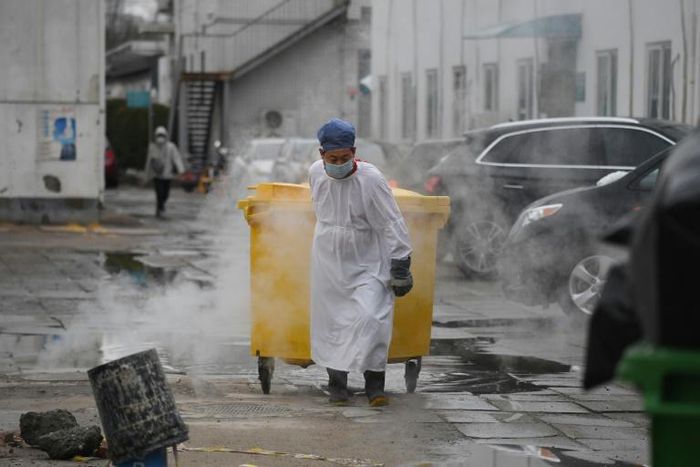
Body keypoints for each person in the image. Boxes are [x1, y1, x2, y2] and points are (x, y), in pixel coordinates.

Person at [308, 118, 414, 407]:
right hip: (328, 259)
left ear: (354, 151)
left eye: (345, 157)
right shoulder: (316, 173)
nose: (339, 163)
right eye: (333, 158)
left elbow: (392, 222)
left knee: (371, 318)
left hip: (367, 258)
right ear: (322, 155)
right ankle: (337, 385)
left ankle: (374, 386)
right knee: (332, 322)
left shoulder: (371, 179)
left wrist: (401, 262)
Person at [144, 126, 185, 218]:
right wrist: (146, 175)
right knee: (159, 193)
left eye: (162, 135)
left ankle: (160, 207)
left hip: (167, 175)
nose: (160, 137)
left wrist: (181, 170)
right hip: (157, 176)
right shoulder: (153, 147)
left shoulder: (171, 147)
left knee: (166, 194)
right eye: (159, 135)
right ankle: (160, 208)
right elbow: (149, 162)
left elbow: (176, 158)